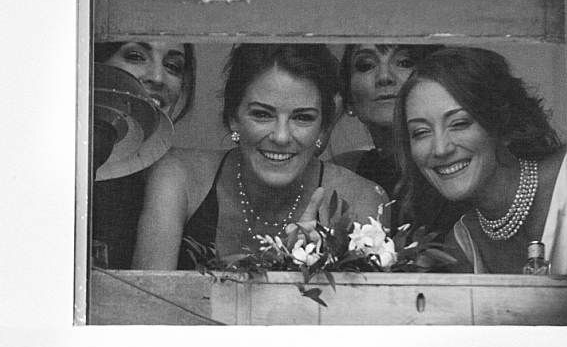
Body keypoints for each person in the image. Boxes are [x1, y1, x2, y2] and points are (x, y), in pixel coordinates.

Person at [134, 43, 388, 270]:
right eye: (262, 114)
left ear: (323, 127)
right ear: (233, 118)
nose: (281, 136)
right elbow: (146, 310)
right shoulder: (178, 175)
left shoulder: (360, 199)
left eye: (302, 118)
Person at [394, 47, 567, 275]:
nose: (440, 149)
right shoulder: (461, 245)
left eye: (459, 124)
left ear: (502, 124)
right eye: (420, 132)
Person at [90, 40, 196, 268]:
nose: (158, 77)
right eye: (136, 56)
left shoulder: (180, 185)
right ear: (94, 63)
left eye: (173, 66)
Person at [333, 44, 440, 197]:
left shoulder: (452, 165)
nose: (384, 77)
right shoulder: (348, 170)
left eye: (404, 63)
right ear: (348, 97)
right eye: (366, 66)